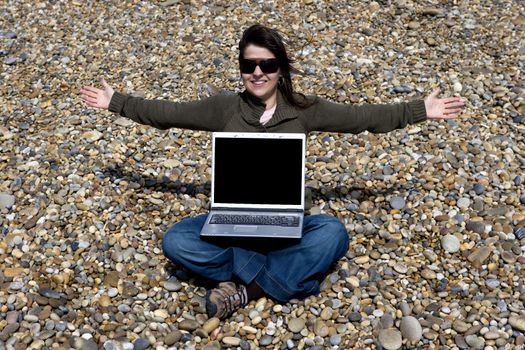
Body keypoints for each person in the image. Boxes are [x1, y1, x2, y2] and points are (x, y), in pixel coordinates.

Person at [80, 24, 464, 320]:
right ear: (241, 68)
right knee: (176, 240)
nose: (258, 73)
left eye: (267, 64)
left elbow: (361, 117)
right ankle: (270, 283)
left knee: (332, 232)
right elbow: (167, 113)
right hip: (234, 218)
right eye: (250, 65)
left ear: (280, 68)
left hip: (287, 221)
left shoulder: (305, 108)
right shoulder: (223, 108)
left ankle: (240, 287)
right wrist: (117, 102)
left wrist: (418, 111)